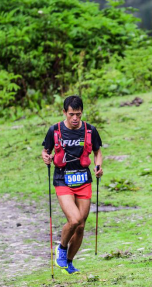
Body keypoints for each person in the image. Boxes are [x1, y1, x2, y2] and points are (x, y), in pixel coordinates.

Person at [41, 96, 103, 275]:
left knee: (81, 226)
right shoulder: (54, 130)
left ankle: (68, 262)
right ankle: (61, 248)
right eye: (71, 114)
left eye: (78, 114)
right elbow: (46, 151)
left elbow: (98, 152)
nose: (75, 118)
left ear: (82, 112)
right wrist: (46, 157)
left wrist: (98, 166)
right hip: (63, 180)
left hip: (84, 180)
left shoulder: (90, 130)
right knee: (74, 219)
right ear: (64, 113)